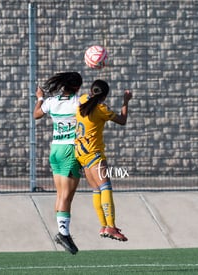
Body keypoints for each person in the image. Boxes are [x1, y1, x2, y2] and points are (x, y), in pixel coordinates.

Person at [75, 79, 132, 242]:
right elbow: (122, 120)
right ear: (105, 96)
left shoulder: (83, 99)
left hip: (81, 152)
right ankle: (111, 227)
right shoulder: (101, 109)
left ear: (91, 91)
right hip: (94, 153)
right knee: (105, 188)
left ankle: (103, 226)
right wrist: (125, 102)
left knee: (96, 190)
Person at [33, 72, 82, 255]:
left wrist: (39, 98)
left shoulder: (52, 101)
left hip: (55, 150)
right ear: (77, 87)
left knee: (61, 195)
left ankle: (62, 231)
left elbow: (36, 115)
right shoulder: (78, 102)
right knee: (66, 197)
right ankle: (63, 233)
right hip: (69, 151)